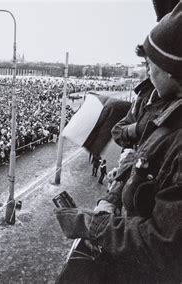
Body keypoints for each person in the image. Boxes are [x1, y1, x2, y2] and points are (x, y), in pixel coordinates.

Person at [55, 4, 182, 282]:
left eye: (152, 65)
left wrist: (90, 224)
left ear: (172, 69)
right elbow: (140, 160)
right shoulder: (168, 115)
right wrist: (114, 194)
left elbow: (164, 245)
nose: (147, 72)